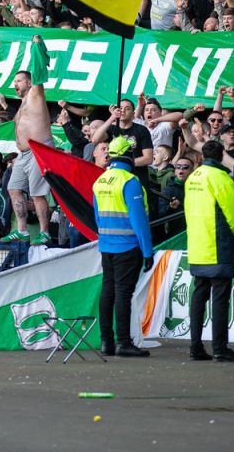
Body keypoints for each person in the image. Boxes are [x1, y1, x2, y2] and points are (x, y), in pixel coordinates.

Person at [184, 141, 234, 362]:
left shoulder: (193, 177)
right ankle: (220, 348)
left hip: (197, 244)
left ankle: (195, 347)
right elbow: (233, 212)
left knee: (199, 296)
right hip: (217, 243)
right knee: (220, 298)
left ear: (202, 155)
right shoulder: (220, 177)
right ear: (222, 155)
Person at [91, 136, 154, 357]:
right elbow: (139, 222)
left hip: (106, 245)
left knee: (108, 292)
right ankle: (124, 342)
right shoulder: (129, 181)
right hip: (128, 246)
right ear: (129, 155)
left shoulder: (101, 180)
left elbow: (97, 217)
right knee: (123, 294)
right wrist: (148, 252)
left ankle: (106, 342)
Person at [2, 35, 53, 245]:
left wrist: (38, 46)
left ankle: (45, 231)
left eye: (19, 80)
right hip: (23, 155)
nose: (15, 83)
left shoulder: (35, 94)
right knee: (14, 189)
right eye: (14, 81)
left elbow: (40, 68)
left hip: (38, 150)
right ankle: (22, 230)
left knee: (38, 194)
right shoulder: (21, 104)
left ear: (30, 82)